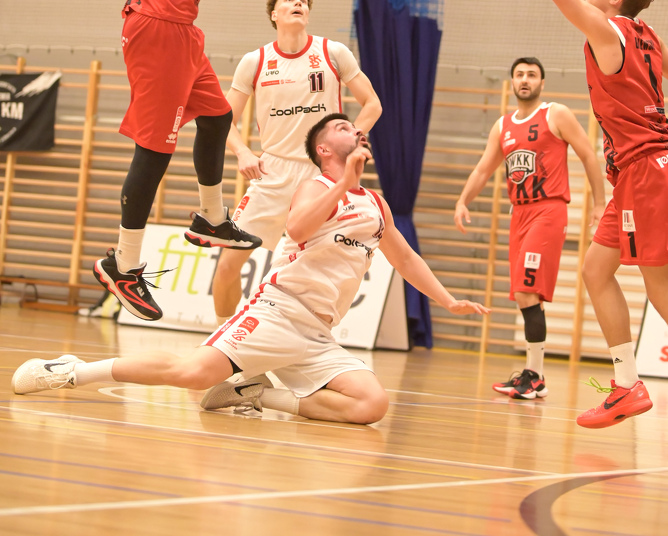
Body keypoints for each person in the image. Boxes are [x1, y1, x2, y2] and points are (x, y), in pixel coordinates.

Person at [94, 0, 385, 323]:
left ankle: (211, 218)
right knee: (154, 150)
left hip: (182, 28)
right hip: (156, 25)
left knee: (217, 116)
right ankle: (123, 263)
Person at [13, 114, 489, 424]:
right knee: (193, 372)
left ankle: (256, 394)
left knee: (371, 404)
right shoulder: (315, 187)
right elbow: (298, 228)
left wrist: (448, 300)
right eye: (344, 127)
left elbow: (404, 258)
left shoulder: (376, 204)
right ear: (324, 149)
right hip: (277, 313)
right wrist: (343, 183)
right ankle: (73, 371)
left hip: (318, 333)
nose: (356, 130)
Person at [498, 0, 668, 429]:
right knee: (596, 271)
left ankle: (628, 385)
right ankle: (626, 385)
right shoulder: (649, 38)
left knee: (658, 285)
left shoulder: (608, 29)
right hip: (638, 172)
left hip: (647, 171)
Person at [211, 0, 382, 325]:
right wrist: (243, 152)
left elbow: (372, 104)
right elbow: (222, 121)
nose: (298, 3)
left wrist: (349, 144)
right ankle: (222, 339)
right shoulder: (255, 61)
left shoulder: (333, 52)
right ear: (274, 14)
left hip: (320, 176)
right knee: (228, 264)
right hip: (272, 173)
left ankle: (308, 340)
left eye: (303, 0)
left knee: (316, 272)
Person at [454, 56, 606, 401]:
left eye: (532, 75)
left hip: (548, 211)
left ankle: (535, 376)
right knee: (527, 295)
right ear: (512, 82)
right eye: (519, 74)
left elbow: (588, 155)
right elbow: (483, 169)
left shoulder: (556, 114)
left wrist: (599, 203)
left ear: (542, 82)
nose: (525, 79)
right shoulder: (503, 126)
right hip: (519, 214)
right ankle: (533, 375)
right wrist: (463, 200)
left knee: (526, 291)